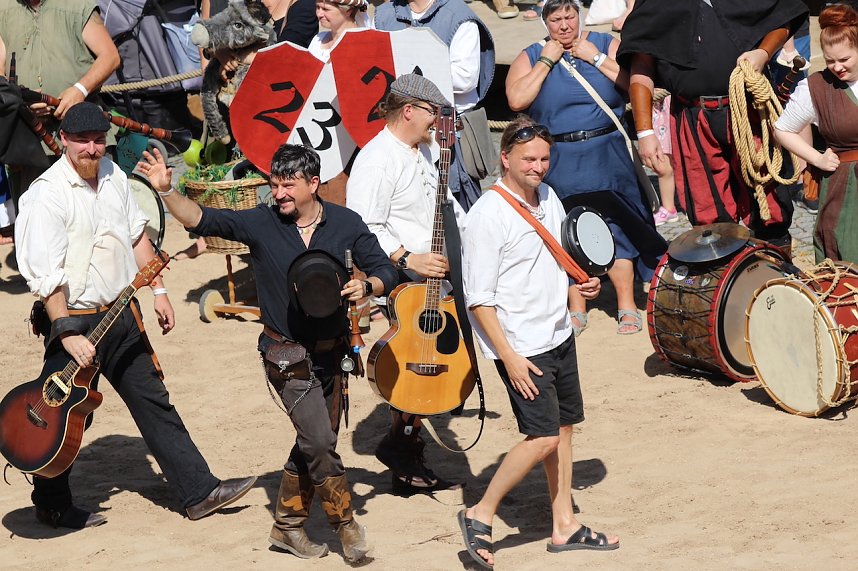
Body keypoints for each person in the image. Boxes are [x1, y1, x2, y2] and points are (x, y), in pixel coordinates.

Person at [143, 141, 398, 562]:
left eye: (287, 185)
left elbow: (385, 267)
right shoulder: (261, 224)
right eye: (273, 184)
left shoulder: (346, 223)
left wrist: (368, 286)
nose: (277, 193)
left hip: (334, 353)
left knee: (316, 440)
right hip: (285, 356)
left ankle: (287, 527)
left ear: (314, 184)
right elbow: (204, 218)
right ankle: (346, 526)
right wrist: (168, 192)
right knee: (318, 439)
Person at [13, 102, 256, 530]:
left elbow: (136, 236)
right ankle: (51, 503)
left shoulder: (114, 176)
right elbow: (45, 274)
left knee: (153, 402)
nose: (92, 149)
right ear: (64, 141)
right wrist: (66, 330)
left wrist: (159, 291)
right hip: (74, 320)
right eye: (83, 141)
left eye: (97, 140)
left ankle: (199, 492)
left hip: (121, 315)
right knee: (60, 414)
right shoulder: (44, 195)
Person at [458, 116, 617, 569]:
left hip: (557, 334)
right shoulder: (487, 215)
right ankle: (480, 512)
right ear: (504, 158)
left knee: (564, 429)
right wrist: (508, 357)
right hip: (521, 345)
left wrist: (580, 290)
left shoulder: (549, 197)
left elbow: (564, 258)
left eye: (545, 158)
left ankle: (563, 524)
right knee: (543, 436)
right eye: (529, 159)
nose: (539, 167)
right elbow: (478, 299)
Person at [505, 0, 666, 336]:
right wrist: (548, 60)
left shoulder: (606, 44)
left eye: (569, 17)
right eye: (555, 19)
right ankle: (576, 308)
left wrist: (594, 57)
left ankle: (626, 304)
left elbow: (636, 84)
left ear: (579, 16)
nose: (564, 26)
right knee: (567, 231)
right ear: (545, 23)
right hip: (561, 157)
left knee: (617, 226)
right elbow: (517, 100)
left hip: (608, 153)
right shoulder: (532, 54)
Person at [346, 74, 465, 495]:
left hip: (439, 272)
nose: (436, 121)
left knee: (440, 363)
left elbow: (441, 205)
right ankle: (403, 450)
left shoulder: (424, 150)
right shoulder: (378, 158)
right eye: (431, 112)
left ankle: (404, 453)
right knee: (417, 360)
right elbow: (360, 226)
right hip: (407, 278)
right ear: (409, 111)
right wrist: (406, 257)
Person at [617, 0, 808, 253]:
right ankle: (725, 279)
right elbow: (641, 66)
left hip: (748, 110)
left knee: (770, 205)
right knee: (709, 212)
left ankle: (777, 276)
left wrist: (763, 52)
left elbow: (783, 14)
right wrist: (645, 132)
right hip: (694, 118)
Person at [374, 0, 496, 210]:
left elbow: (465, 77)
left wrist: (411, 72)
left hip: (445, 135)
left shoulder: (457, 16)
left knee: (450, 212)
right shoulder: (384, 14)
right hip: (398, 133)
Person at [0, 0, 120, 212]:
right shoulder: (4, 7)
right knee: (36, 217)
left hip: (82, 134)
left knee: (95, 214)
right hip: (29, 138)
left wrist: (79, 90)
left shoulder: (77, 4)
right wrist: (18, 100)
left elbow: (110, 57)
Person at [774, 4, 858, 264]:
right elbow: (782, 129)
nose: (837, 67)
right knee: (847, 258)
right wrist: (817, 159)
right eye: (830, 60)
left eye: (844, 59)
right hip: (846, 190)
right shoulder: (817, 88)